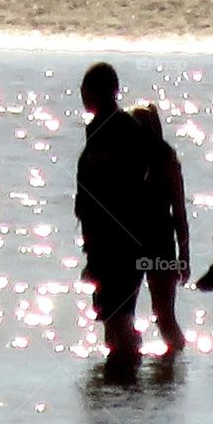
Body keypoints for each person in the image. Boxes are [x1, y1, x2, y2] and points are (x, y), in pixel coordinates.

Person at [74, 63, 150, 362]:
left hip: (118, 240)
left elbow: (119, 186)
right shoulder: (108, 129)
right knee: (112, 313)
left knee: (117, 314)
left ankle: (125, 374)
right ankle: (120, 387)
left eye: (86, 89)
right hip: (111, 239)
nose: (82, 95)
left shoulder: (117, 130)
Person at [130, 103, 190, 353]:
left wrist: (184, 257)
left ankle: (175, 362)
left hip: (159, 247)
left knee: (163, 315)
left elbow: (179, 211)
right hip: (134, 245)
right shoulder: (128, 162)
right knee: (129, 314)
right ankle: (167, 366)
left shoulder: (167, 162)